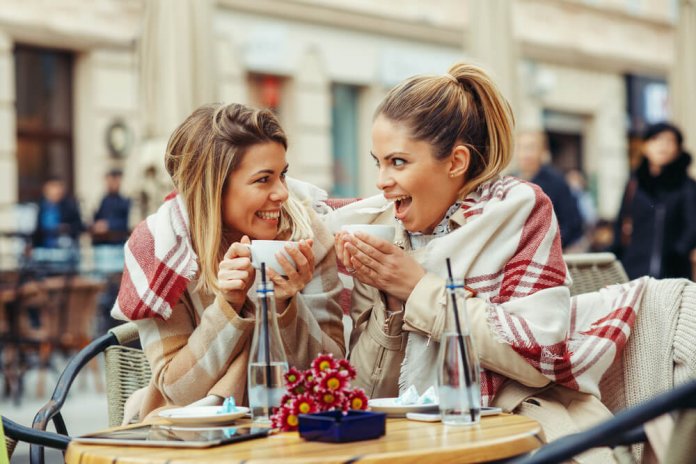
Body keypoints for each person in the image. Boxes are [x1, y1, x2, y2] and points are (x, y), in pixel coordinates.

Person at [330, 62, 645, 460]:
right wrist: (392, 305)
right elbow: (369, 394)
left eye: (398, 162)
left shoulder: (517, 211)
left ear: (456, 162)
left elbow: (541, 357)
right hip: (411, 438)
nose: (381, 181)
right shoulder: (376, 232)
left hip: (513, 426)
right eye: (378, 162)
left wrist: (418, 289)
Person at [112, 103, 345, 422]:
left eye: (283, 175)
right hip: (193, 436)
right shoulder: (164, 249)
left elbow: (332, 373)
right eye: (264, 179)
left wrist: (286, 305)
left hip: (295, 428)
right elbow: (178, 391)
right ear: (214, 188)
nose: (282, 194)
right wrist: (228, 307)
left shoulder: (306, 234)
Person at [612, 121, 696, 279]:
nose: (662, 146)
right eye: (656, 139)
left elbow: (692, 226)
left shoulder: (687, 186)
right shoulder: (634, 183)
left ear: (678, 148)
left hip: (672, 273)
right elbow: (621, 221)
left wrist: (677, 252)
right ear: (645, 146)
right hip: (633, 269)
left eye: (670, 141)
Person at [516, 131, 584, 249]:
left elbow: (572, 224)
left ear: (543, 151)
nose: (525, 154)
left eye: (530, 147)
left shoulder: (557, 182)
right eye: (521, 148)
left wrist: (549, 248)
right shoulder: (510, 181)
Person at [32, 177, 83, 249]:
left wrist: (67, 228)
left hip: (64, 247)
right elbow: (37, 229)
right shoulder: (41, 206)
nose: (56, 192)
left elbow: (79, 226)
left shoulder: (70, 206)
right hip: (44, 247)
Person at [92, 169, 131, 245]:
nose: (109, 184)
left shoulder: (124, 202)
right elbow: (98, 218)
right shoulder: (103, 200)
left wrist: (108, 225)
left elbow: (126, 223)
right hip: (102, 242)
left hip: (117, 242)